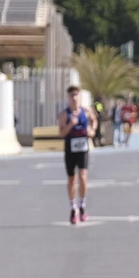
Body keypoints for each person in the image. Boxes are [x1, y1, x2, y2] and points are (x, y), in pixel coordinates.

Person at [60, 85, 97, 225]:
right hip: (70, 149)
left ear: (79, 96)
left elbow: (94, 120)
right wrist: (70, 124)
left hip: (83, 148)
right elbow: (61, 134)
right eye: (71, 95)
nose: (74, 98)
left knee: (83, 176)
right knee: (71, 179)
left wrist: (92, 130)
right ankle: (73, 207)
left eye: (76, 95)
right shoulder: (64, 114)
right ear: (68, 98)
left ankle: (82, 205)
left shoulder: (86, 111)